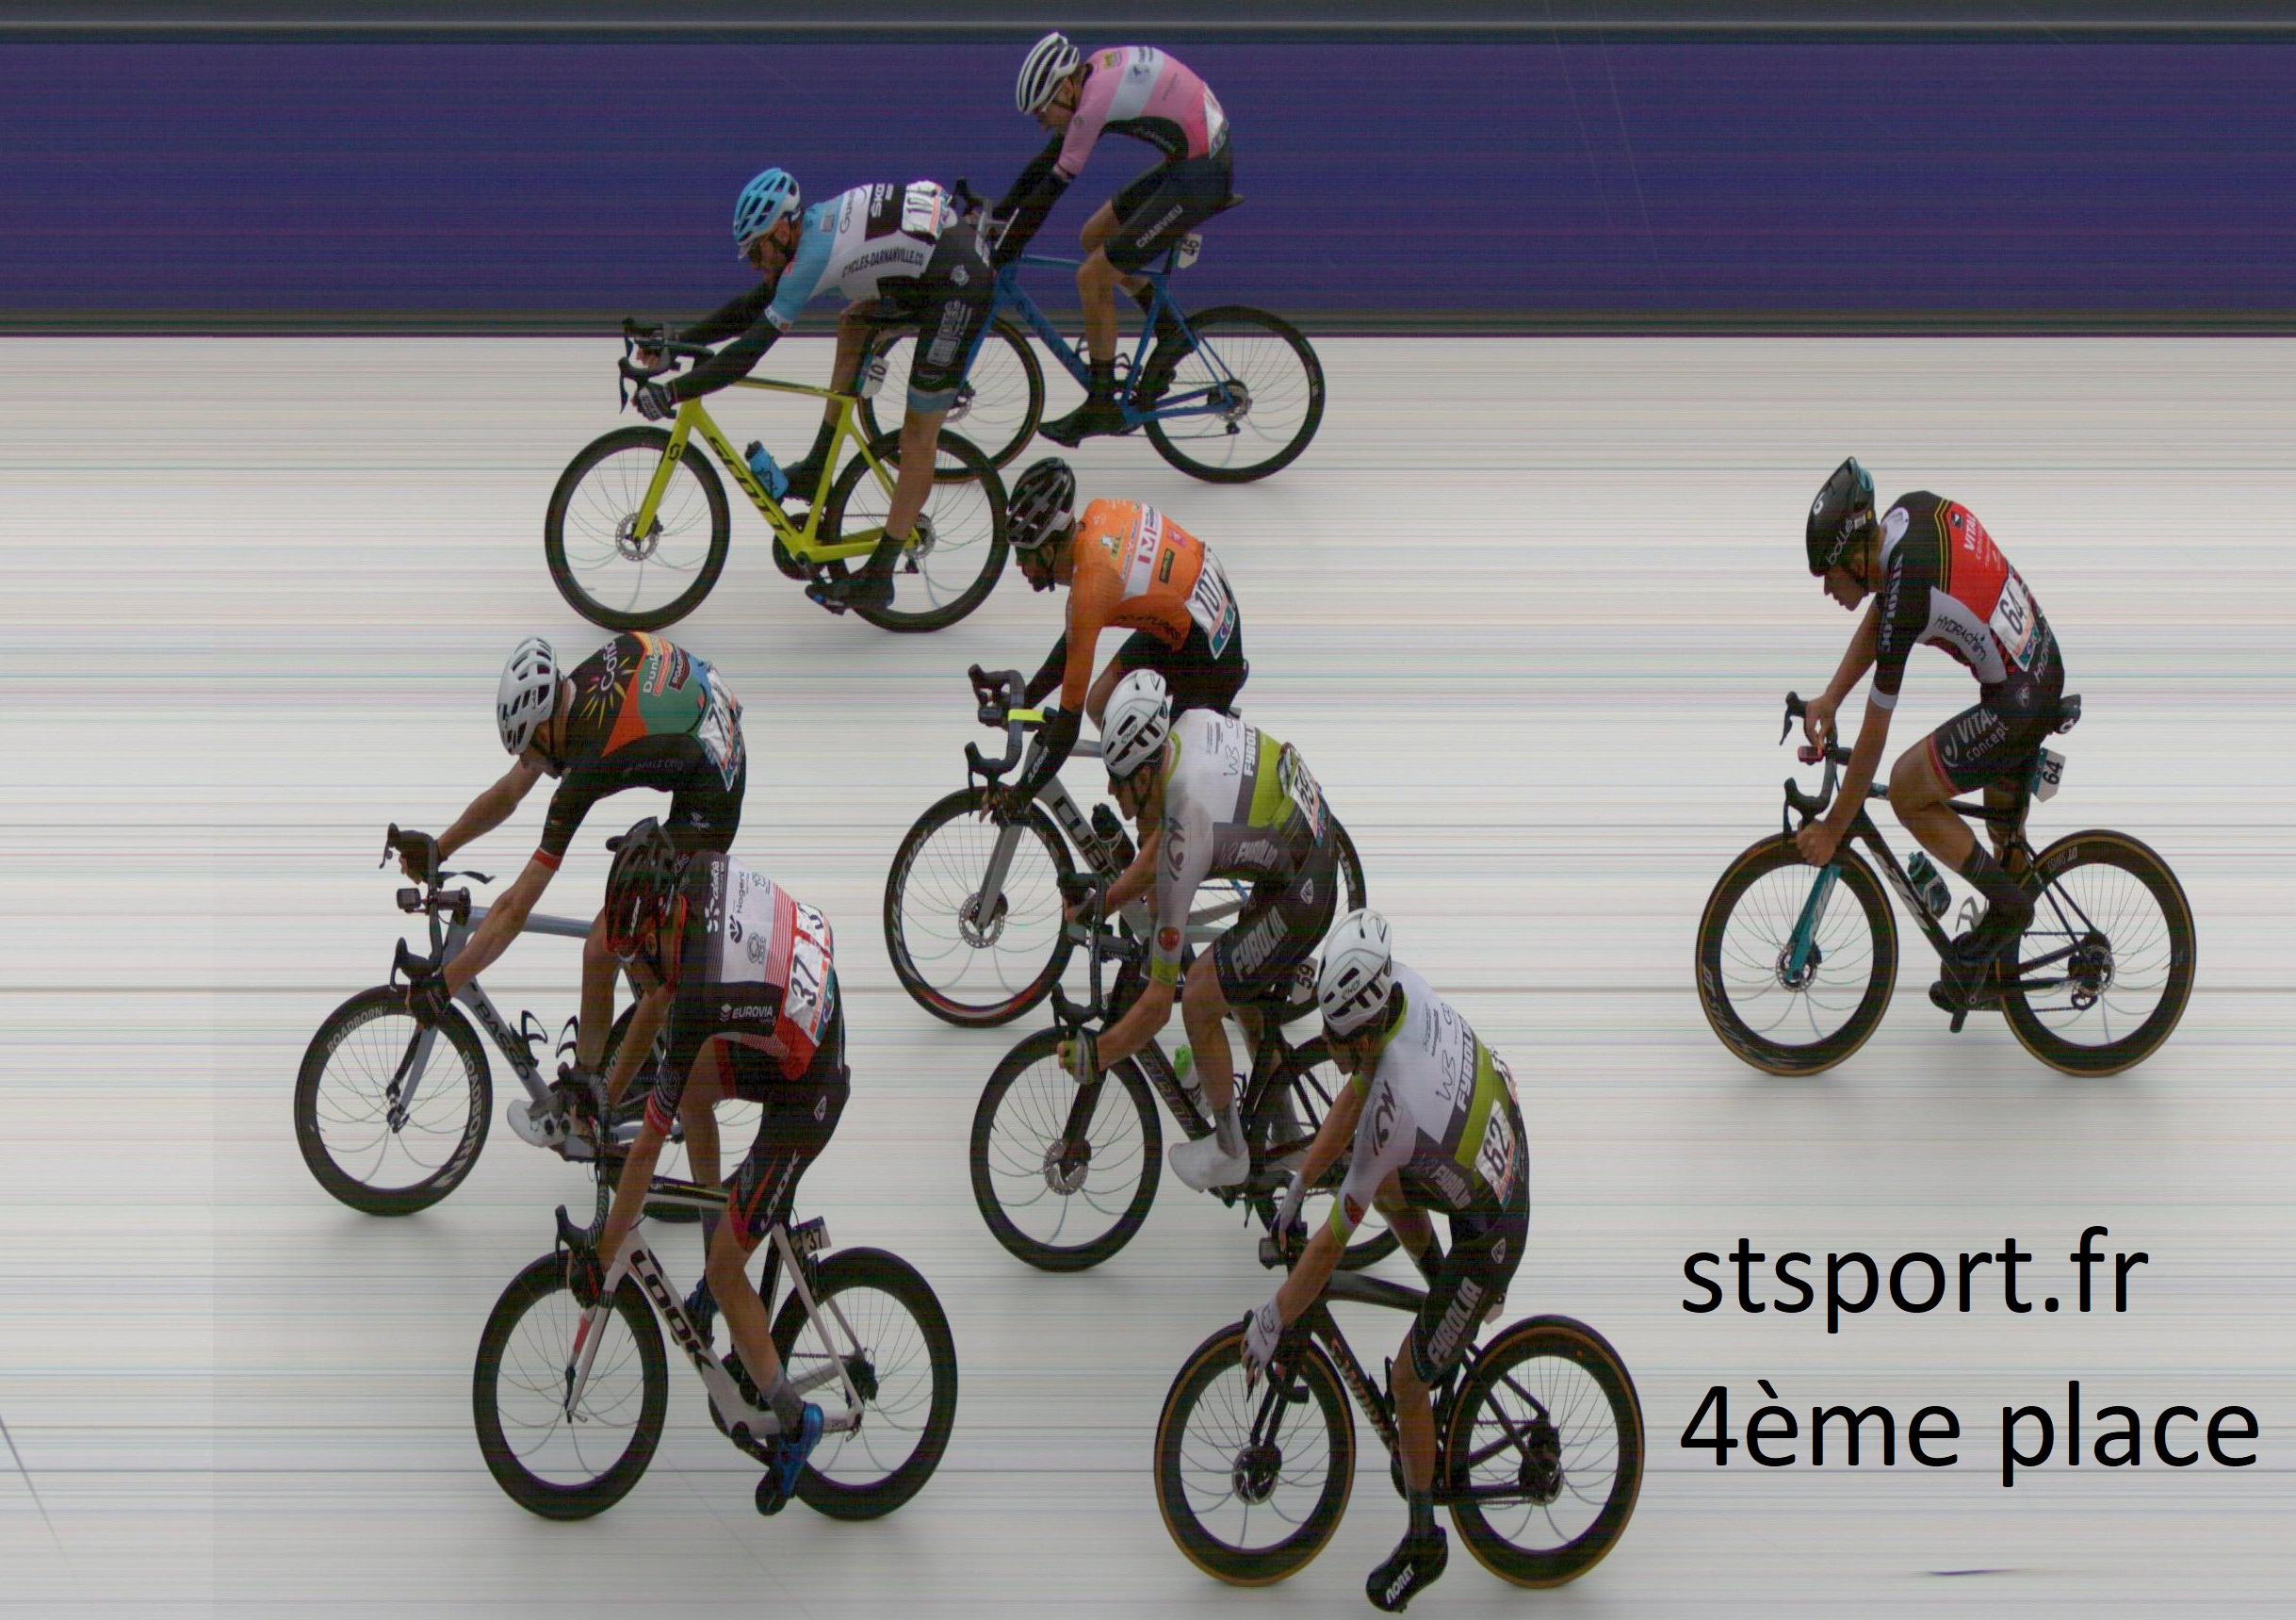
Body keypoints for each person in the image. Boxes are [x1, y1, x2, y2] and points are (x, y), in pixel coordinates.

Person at [1243, 910, 1527, 1613]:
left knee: (1406, 1377)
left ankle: (1425, 1540)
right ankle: (1448, 1296)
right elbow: (1352, 1096)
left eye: (1336, 1040)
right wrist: (1300, 1184)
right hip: (1488, 1163)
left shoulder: (1394, 1103)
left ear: (1364, 1033)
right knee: (1392, 1187)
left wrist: (1277, 1315)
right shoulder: (1401, 991)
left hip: (1492, 1229)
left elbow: (1333, 1241)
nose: (1329, 1048)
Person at [578, 819, 846, 1514]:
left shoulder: (697, 990)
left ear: (658, 927)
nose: (631, 973)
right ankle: (715, 1255)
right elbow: (654, 1002)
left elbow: (645, 1149)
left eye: (635, 957)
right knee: (692, 1088)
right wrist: (602, 1093)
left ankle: (796, 1421)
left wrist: (603, 1251)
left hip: (809, 1086)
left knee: (730, 1274)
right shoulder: (688, 883)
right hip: (798, 1020)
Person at [396, 633, 745, 1119]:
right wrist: (440, 848)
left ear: (544, 727)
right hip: (712, 731)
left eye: (529, 751)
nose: (530, 763)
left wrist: (445, 985)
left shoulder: (586, 766)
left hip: (712, 800)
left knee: (601, 946)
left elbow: (515, 907)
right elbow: (510, 792)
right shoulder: (574, 689)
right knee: (626, 905)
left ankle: (587, 1095)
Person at [629, 167, 997, 614]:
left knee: (918, 434)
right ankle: (819, 463)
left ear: (783, 230)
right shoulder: (812, 228)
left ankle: (880, 575)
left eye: (757, 251)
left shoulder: (811, 258)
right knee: (853, 322)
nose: (755, 264)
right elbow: (751, 306)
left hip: (959, 285)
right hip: (933, 264)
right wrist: (677, 343)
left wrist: (672, 393)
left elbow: (748, 352)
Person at [1795, 458, 2065, 1006]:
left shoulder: (1908, 583)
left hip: (2019, 697)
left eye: (1829, 574)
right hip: (2032, 671)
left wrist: (1834, 826)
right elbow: (1884, 614)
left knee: (1906, 787)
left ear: (1854, 558)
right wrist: (1831, 696)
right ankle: (1998, 964)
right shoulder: (1903, 519)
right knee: (2003, 841)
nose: (1827, 589)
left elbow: (1875, 730)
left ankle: (2010, 911)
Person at [1067, 671, 1338, 1192]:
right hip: (1306, 848)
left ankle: (1231, 1151)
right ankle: (1284, 1136)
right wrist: (1106, 902)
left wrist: (1097, 1055)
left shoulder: (1185, 827)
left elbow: (1156, 1005)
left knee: (1198, 997)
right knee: (1242, 999)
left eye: (1118, 778)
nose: (1110, 789)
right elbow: (1158, 844)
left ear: (1146, 774)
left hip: (1302, 886)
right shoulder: (1184, 730)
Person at [992, 33, 1234, 444]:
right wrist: (1001, 214)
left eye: (1042, 111)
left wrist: (1007, 248)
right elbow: (1046, 161)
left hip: (1201, 175)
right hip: (1192, 160)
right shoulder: (1093, 76)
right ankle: (1170, 331)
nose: (1042, 122)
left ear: (1064, 89)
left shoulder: (1093, 104)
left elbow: (1051, 189)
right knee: (1095, 236)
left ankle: (1102, 404)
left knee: (1092, 278)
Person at [1001, 456, 1248, 801]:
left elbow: (1067, 728)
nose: (1018, 564)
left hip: (1208, 654)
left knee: (1160, 791)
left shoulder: (1091, 585)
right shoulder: (1098, 517)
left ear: (1047, 550)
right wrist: (1023, 701)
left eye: (1023, 554)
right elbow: (1076, 638)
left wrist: (1020, 794)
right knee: (1099, 703)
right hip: (1195, 615)